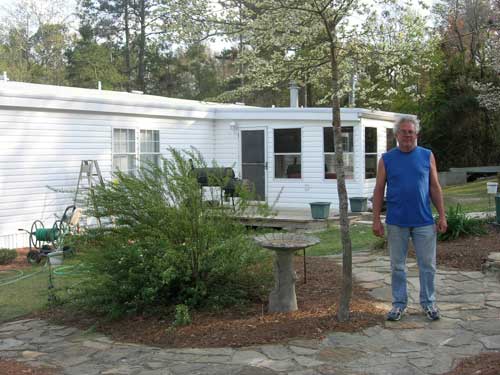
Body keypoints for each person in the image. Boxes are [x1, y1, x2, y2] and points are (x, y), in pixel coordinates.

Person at [372, 116, 447, 321]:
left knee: (428, 265)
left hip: (423, 220)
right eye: (403, 132)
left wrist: (441, 215)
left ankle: (429, 303)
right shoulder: (386, 159)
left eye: (411, 132)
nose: (407, 135)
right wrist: (376, 219)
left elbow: (434, 186)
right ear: (396, 135)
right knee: (397, 266)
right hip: (396, 221)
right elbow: (379, 189)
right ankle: (398, 304)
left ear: (416, 134)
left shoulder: (427, 155)